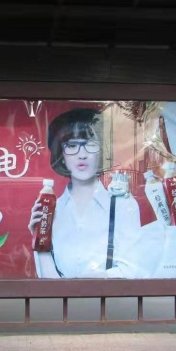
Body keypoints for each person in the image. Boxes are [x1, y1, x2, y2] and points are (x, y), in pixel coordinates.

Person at [28, 108, 141, 278]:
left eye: (91, 144)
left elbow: (132, 271)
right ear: (61, 154)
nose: (82, 154)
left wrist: (88, 281)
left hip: (111, 296)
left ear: (102, 151)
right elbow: (50, 283)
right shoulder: (51, 210)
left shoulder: (123, 205)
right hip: (62, 297)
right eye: (72, 145)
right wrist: (39, 240)